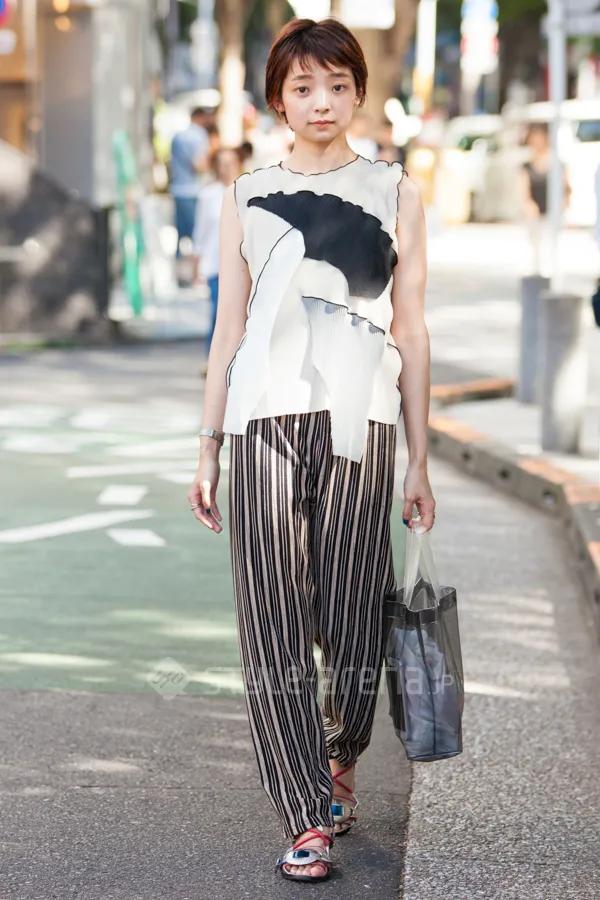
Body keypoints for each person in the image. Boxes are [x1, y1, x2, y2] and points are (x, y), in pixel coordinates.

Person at [187, 17, 434, 884]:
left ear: (359, 93)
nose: (320, 101)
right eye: (302, 87)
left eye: (336, 85)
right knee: (272, 616)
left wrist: (420, 459)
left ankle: (340, 750)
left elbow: (411, 329)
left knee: (355, 610)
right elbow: (228, 330)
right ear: (278, 100)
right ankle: (304, 811)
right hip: (263, 421)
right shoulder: (247, 195)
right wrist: (209, 444)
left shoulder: (395, 190)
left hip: (362, 423)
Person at [192, 147, 242, 374]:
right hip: (215, 264)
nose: (226, 168)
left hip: (242, 264)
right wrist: (196, 265)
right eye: (222, 163)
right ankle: (213, 360)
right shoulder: (208, 195)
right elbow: (200, 232)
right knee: (218, 313)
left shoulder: (248, 191)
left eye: (230, 163)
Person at [517, 122, 570, 278]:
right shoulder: (527, 166)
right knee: (535, 251)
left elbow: (566, 188)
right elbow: (522, 190)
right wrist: (528, 206)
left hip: (553, 214)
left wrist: (562, 206)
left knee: (552, 250)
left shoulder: (557, 164)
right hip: (534, 215)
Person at [169, 107, 213, 261]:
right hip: (193, 190)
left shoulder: (177, 137)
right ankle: (195, 267)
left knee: (180, 232)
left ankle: (178, 264)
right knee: (196, 234)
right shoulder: (200, 135)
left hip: (177, 189)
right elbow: (198, 165)